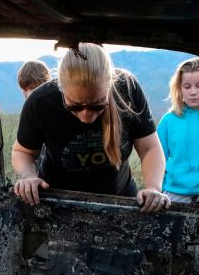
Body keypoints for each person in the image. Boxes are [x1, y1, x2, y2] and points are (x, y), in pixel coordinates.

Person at [11, 43, 168, 213]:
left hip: (119, 200)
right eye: (75, 106)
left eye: (97, 105)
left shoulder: (127, 90)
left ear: (110, 86)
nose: (86, 116)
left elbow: (149, 147)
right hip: (58, 203)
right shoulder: (40, 102)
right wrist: (29, 176)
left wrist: (153, 187)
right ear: (61, 89)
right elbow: (23, 152)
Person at [156, 58, 199, 204]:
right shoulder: (168, 121)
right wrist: (160, 189)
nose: (193, 92)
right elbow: (158, 159)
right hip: (175, 193)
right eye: (187, 86)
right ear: (179, 89)